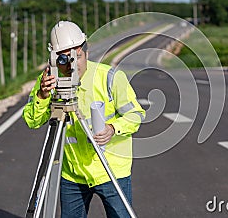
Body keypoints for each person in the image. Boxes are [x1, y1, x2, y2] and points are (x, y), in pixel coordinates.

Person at [22, 21, 145, 218]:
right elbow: (32, 120)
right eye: (64, 58)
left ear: (86, 52)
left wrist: (113, 128)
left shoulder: (110, 78)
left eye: (76, 57)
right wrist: (43, 96)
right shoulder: (48, 81)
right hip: (72, 174)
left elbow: (136, 115)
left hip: (111, 170)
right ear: (54, 58)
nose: (71, 64)